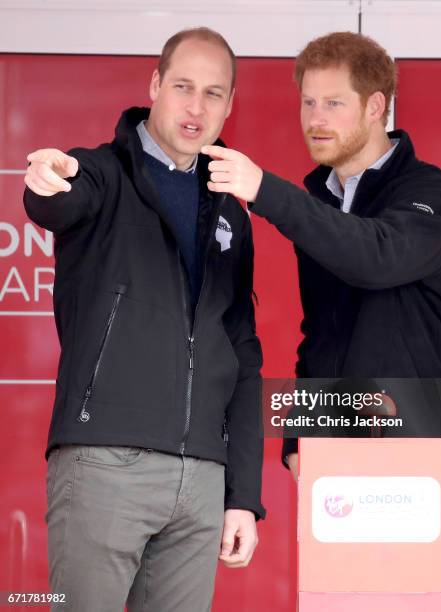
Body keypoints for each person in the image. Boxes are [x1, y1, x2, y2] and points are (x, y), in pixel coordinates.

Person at [203, 31, 441, 612]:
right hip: (346, 466)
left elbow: (374, 256)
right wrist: (299, 432)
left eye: (333, 102)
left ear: (375, 106)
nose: (315, 118)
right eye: (308, 102)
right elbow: (323, 333)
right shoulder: (321, 200)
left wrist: (266, 192)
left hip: (428, 459)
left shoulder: (431, 193)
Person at [23, 27, 265, 612]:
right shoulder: (103, 174)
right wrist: (48, 179)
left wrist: (244, 497)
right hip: (106, 463)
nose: (196, 106)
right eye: (183, 86)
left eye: (214, 93)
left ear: (229, 105)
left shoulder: (231, 207)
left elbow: (243, 353)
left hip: (202, 480)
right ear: (155, 85)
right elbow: (56, 195)